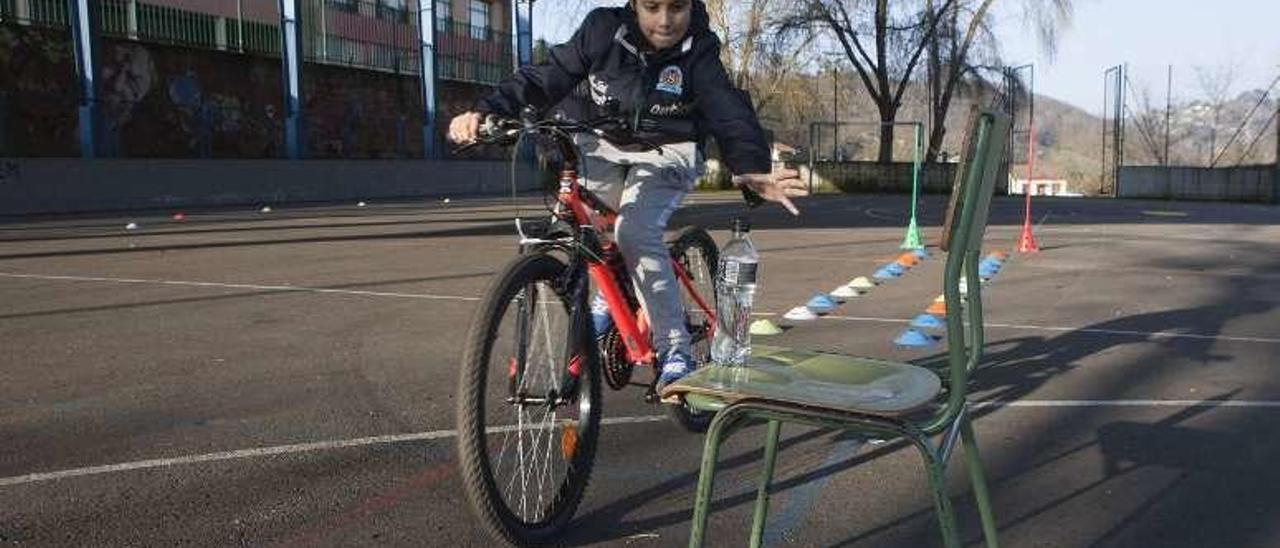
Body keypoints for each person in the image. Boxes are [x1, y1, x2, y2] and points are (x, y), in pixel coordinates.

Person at [447, 0, 807, 388]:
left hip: (670, 149)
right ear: (634, 6)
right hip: (602, 143)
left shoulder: (699, 49)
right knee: (579, 223)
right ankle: (609, 293)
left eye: (677, 8)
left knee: (634, 231)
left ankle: (675, 348)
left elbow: (726, 109)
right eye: (652, 7)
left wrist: (748, 165)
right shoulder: (603, 29)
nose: (665, 20)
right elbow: (547, 76)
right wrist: (485, 112)